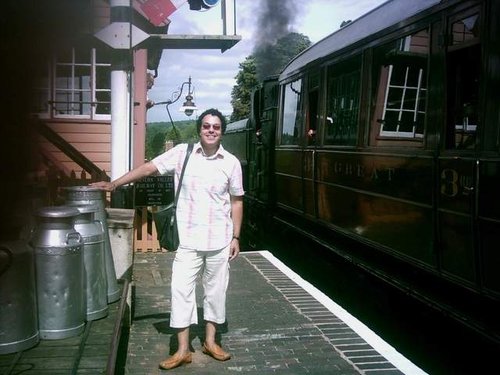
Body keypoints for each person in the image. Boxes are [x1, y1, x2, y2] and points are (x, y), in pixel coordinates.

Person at [90, 108, 244, 370]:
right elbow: (149, 168)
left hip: (219, 239)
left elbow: (237, 201)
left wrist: (235, 237)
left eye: (216, 127)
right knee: (181, 291)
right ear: (199, 129)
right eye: (206, 125)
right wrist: (115, 184)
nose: (210, 130)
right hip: (188, 240)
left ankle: (210, 341)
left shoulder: (231, 162)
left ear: (222, 132)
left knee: (216, 292)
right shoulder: (183, 153)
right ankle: (183, 349)